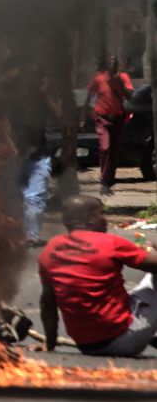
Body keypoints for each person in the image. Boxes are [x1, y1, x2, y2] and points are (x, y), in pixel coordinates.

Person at [39, 195, 157, 357]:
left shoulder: (51, 248)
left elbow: (47, 303)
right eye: (102, 214)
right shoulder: (110, 242)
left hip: (86, 345)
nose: (105, 219)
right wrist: (149, 249)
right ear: (91, 219)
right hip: (125, 339)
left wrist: (50, 343)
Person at [5, 62, 60, 247]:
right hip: (14, 156)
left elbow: (59, 115)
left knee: (34, 198)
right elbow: (2, 125)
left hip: (38, 156)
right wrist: (11, 146)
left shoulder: (41, 100)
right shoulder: (10, 100)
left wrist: (43, 94)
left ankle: (31, 236)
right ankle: (11, 234)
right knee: (11, 197)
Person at [83, 56, 133, 196]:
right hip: (102, 118)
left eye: (114, 63)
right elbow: (89, 96)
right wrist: (84, 115)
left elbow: (129, 97)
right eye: (109, 63)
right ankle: (104, 181)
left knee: (114, 150)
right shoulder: (99, 78)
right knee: (106, 147)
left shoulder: (122, 77)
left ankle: (108, 180)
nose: (112, 65)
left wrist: (121, 85)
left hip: (118, 118)